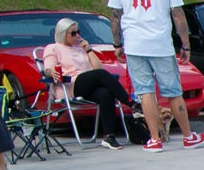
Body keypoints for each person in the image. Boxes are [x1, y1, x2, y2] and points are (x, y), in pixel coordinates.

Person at [108, 0, 204, 152]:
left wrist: (117, 43)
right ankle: (188, 136)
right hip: (160, 42)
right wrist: (185, 44)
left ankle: (154, 139)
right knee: (173, 91)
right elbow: (178, 14)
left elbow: (115, 14)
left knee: (145, 92)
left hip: (134, 43)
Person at [42, 18, 137, 149]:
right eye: (73, 33)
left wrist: (88, 50)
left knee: (105, 93)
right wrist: (50, 72)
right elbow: (48, 69)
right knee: (101, 75)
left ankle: (109, 136)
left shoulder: (80, 49)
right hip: (71, 84)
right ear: (63, 33)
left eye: (78, 32)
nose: (78, 36)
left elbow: (98, 68)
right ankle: (132, 103)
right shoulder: (53, 48)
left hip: (87, 85)